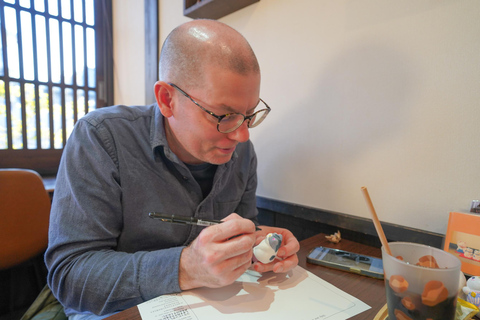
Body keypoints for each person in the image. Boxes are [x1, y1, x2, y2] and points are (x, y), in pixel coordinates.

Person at [45, 19, 299, 319]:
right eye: (225, 115)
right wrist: (186, 267)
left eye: (249, 114)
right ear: (167, 99)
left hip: (210, 304)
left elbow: (243, 231)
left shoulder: (241, 153)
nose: (242, 135)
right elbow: (71, 276)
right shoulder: (101, 138)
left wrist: (261, 246)